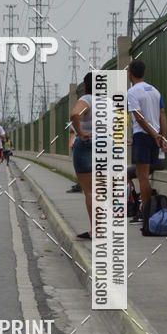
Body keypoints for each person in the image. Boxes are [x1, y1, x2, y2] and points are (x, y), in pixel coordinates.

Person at [127, 60, 167, 212]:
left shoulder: (131, 92)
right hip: (155, 137)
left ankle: (146, 212)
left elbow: (139, 118)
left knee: (142, 176)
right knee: (145, 175)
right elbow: (162, 115)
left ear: (130, 74)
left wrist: (153, 134)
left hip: (143, 136)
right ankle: (149, 209)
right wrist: (162, 137)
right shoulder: (155, 91)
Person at [70, 71, 93, 239]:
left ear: (86, 85)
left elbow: (74, 115)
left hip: (87, 145)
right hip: (106, 146)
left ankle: (96, 230)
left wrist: (80, 132)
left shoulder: (87, 100)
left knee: (90, 191)